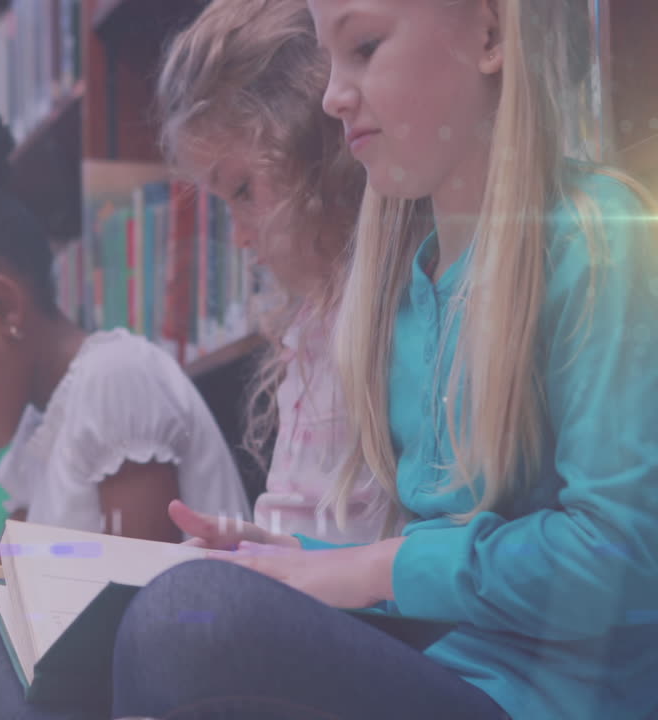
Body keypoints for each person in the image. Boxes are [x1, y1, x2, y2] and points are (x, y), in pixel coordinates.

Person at [108, 1, 658, 718]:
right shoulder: (403, 289)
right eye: (330, 60)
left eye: (364, 46)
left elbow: (623, 559)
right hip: (439, 664)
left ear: (491, 33)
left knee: (186, 620)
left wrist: (372, 567)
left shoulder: (601, 238)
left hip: (548, 700)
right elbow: (427, 564)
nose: (333, 95)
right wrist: (290, 559)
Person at [0, 99, 251, 720]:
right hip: (64, 688)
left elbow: (125, 632)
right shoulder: (31, 441)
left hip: (150, 695)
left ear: (4, 309)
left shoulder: (116, 378)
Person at [156, 0, 388, 543]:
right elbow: (305, 532)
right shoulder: (308, 330)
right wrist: (258, 550)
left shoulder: (396, 312)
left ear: (316, 147)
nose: (238, 237)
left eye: (243, 191)